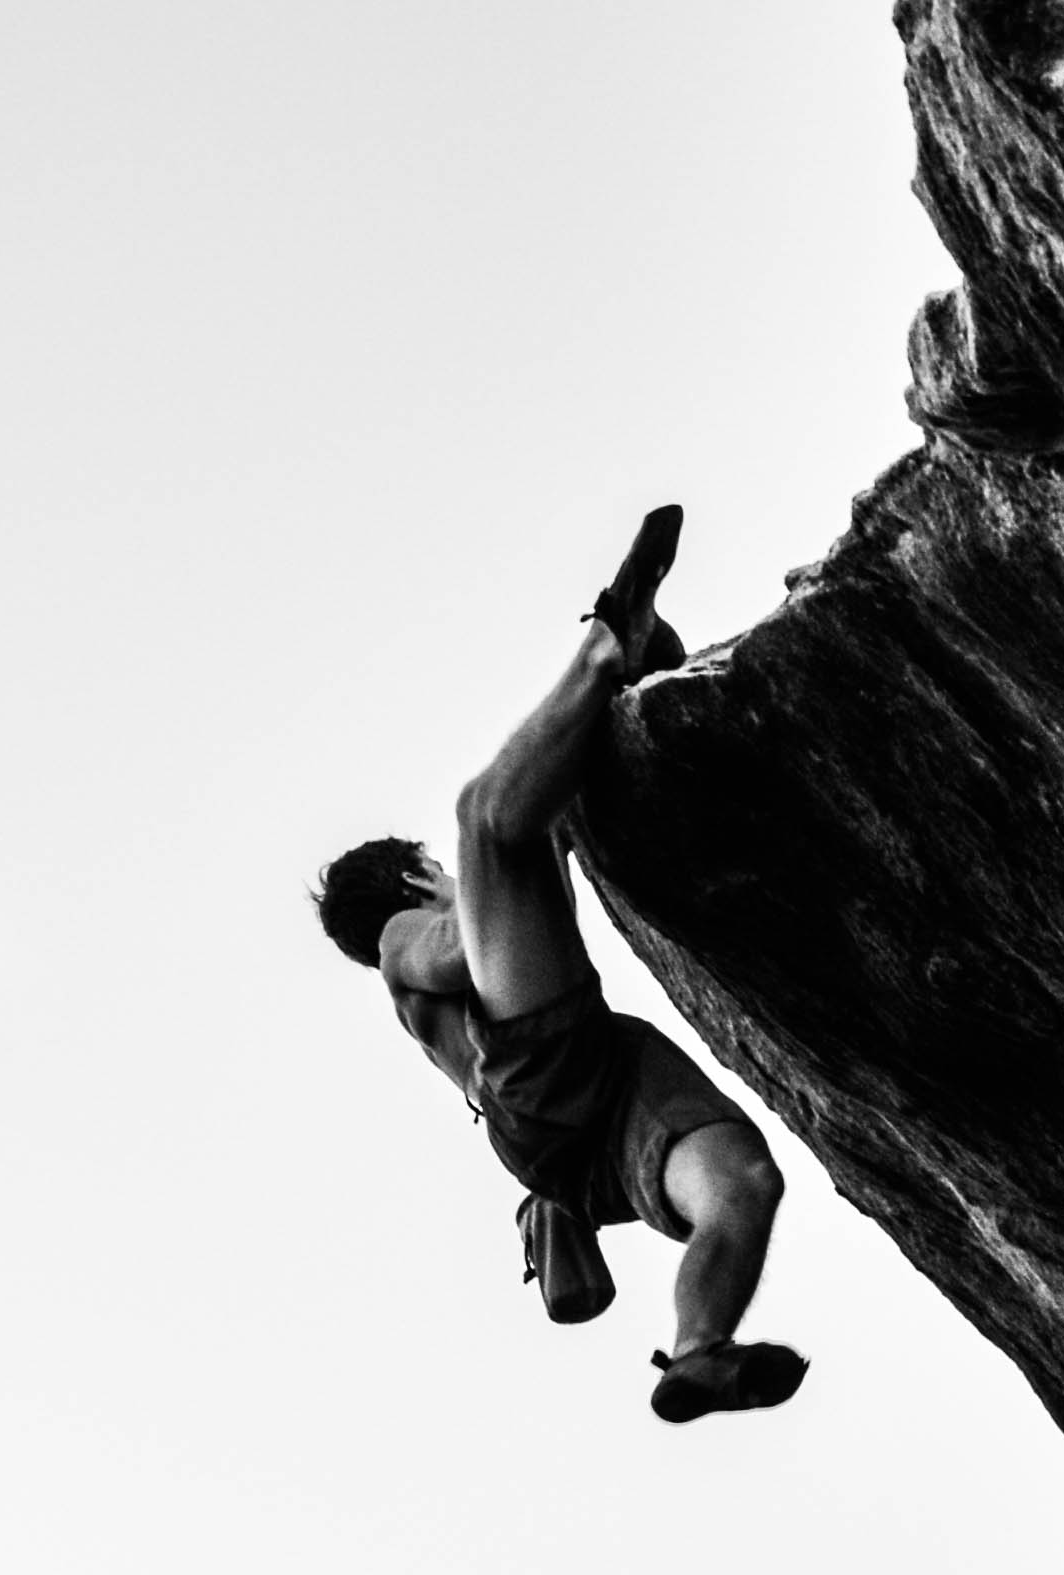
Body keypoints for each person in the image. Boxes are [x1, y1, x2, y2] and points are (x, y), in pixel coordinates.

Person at [315, 506, 802, 1427]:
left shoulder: (461, 957)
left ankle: (700, 1350)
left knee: (740, 1187)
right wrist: (473, 880)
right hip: (543, 1079)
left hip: (591, 1122)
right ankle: (605, 647)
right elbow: (466, 943)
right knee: (486, 815)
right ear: (416, 875)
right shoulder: (401, 938)